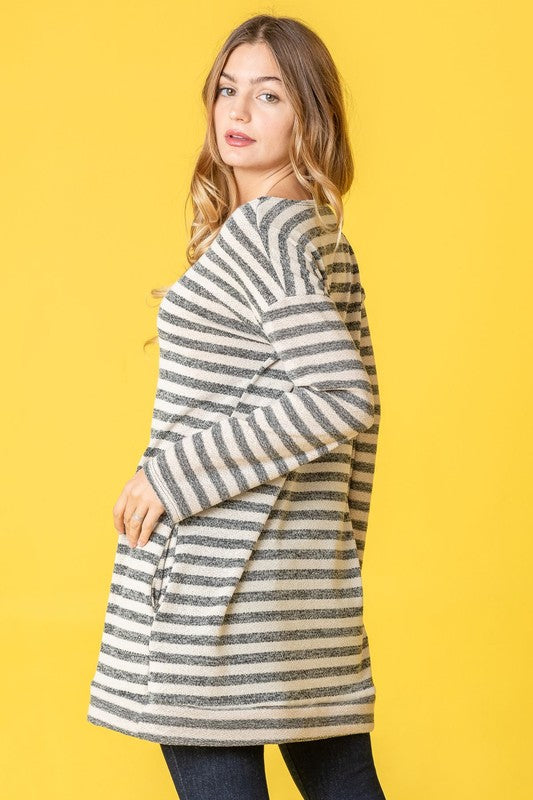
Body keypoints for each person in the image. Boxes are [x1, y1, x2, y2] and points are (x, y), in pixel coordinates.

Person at [87, 13, 386, 800]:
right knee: (341, 779)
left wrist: (170, 477)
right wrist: (337, 554)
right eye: (227, 90)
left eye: (269, 95)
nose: (238, 112)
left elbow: (338, 394)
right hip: (293, 586)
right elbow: (367, 404)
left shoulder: (264, 235)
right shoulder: (316, 231)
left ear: (311, 115)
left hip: (217, 588)